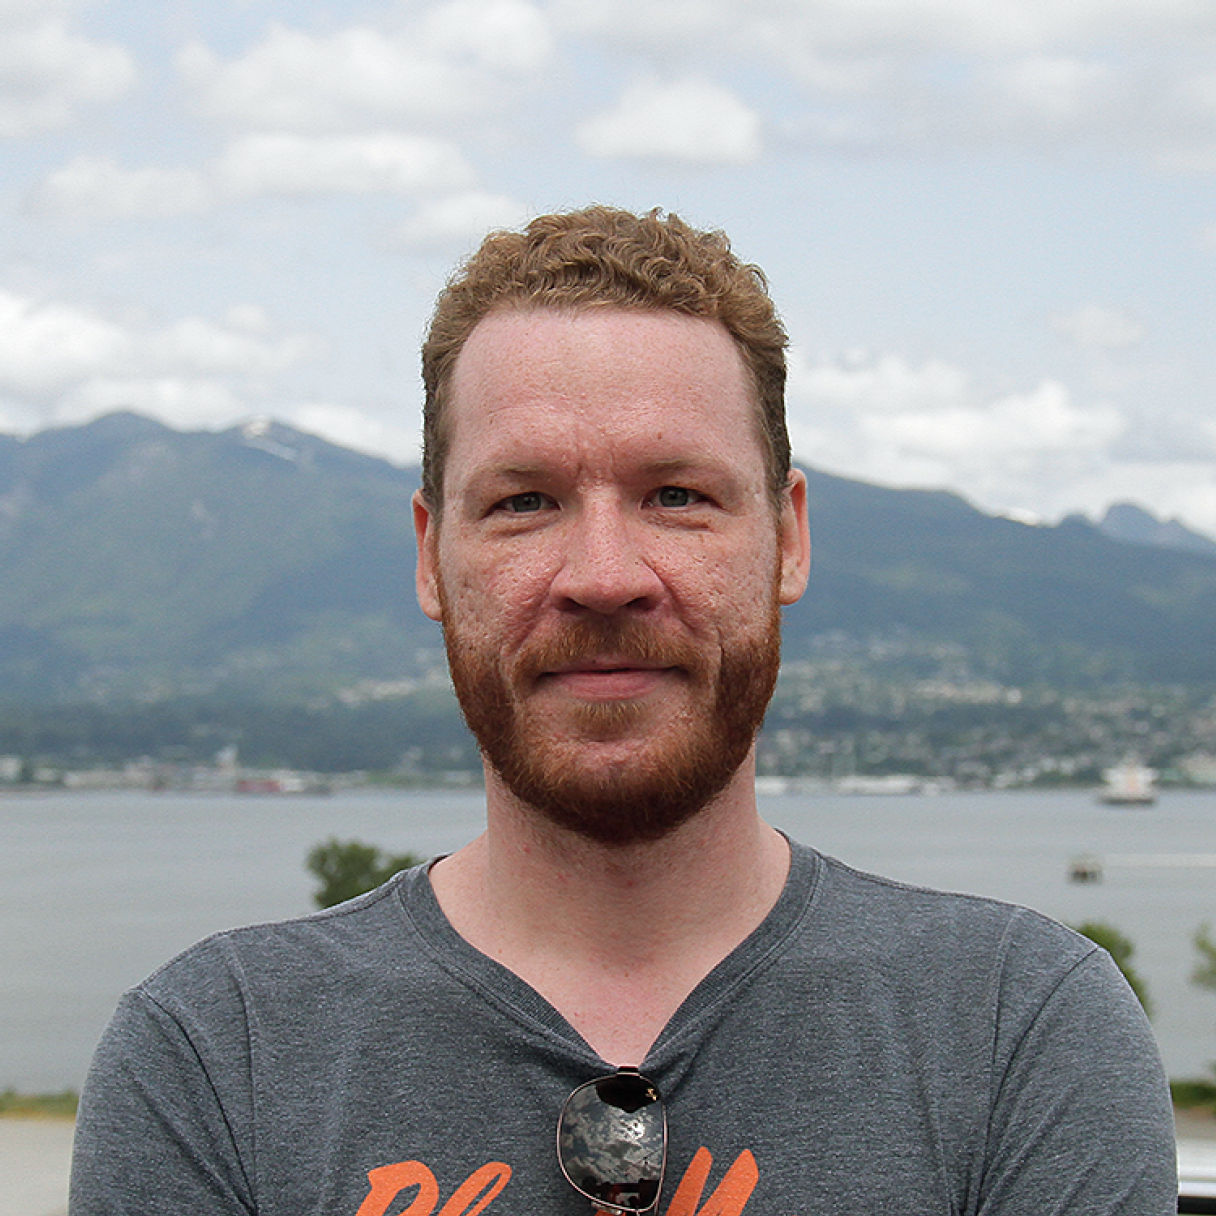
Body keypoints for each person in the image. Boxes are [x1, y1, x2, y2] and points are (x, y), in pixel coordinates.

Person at [70, 206, 1176, 1215]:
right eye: (524, 501)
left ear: (787, 537)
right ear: (429, 556)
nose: (603, 574)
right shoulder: (218, 1055)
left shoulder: (1016, 1029)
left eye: (677, 495)